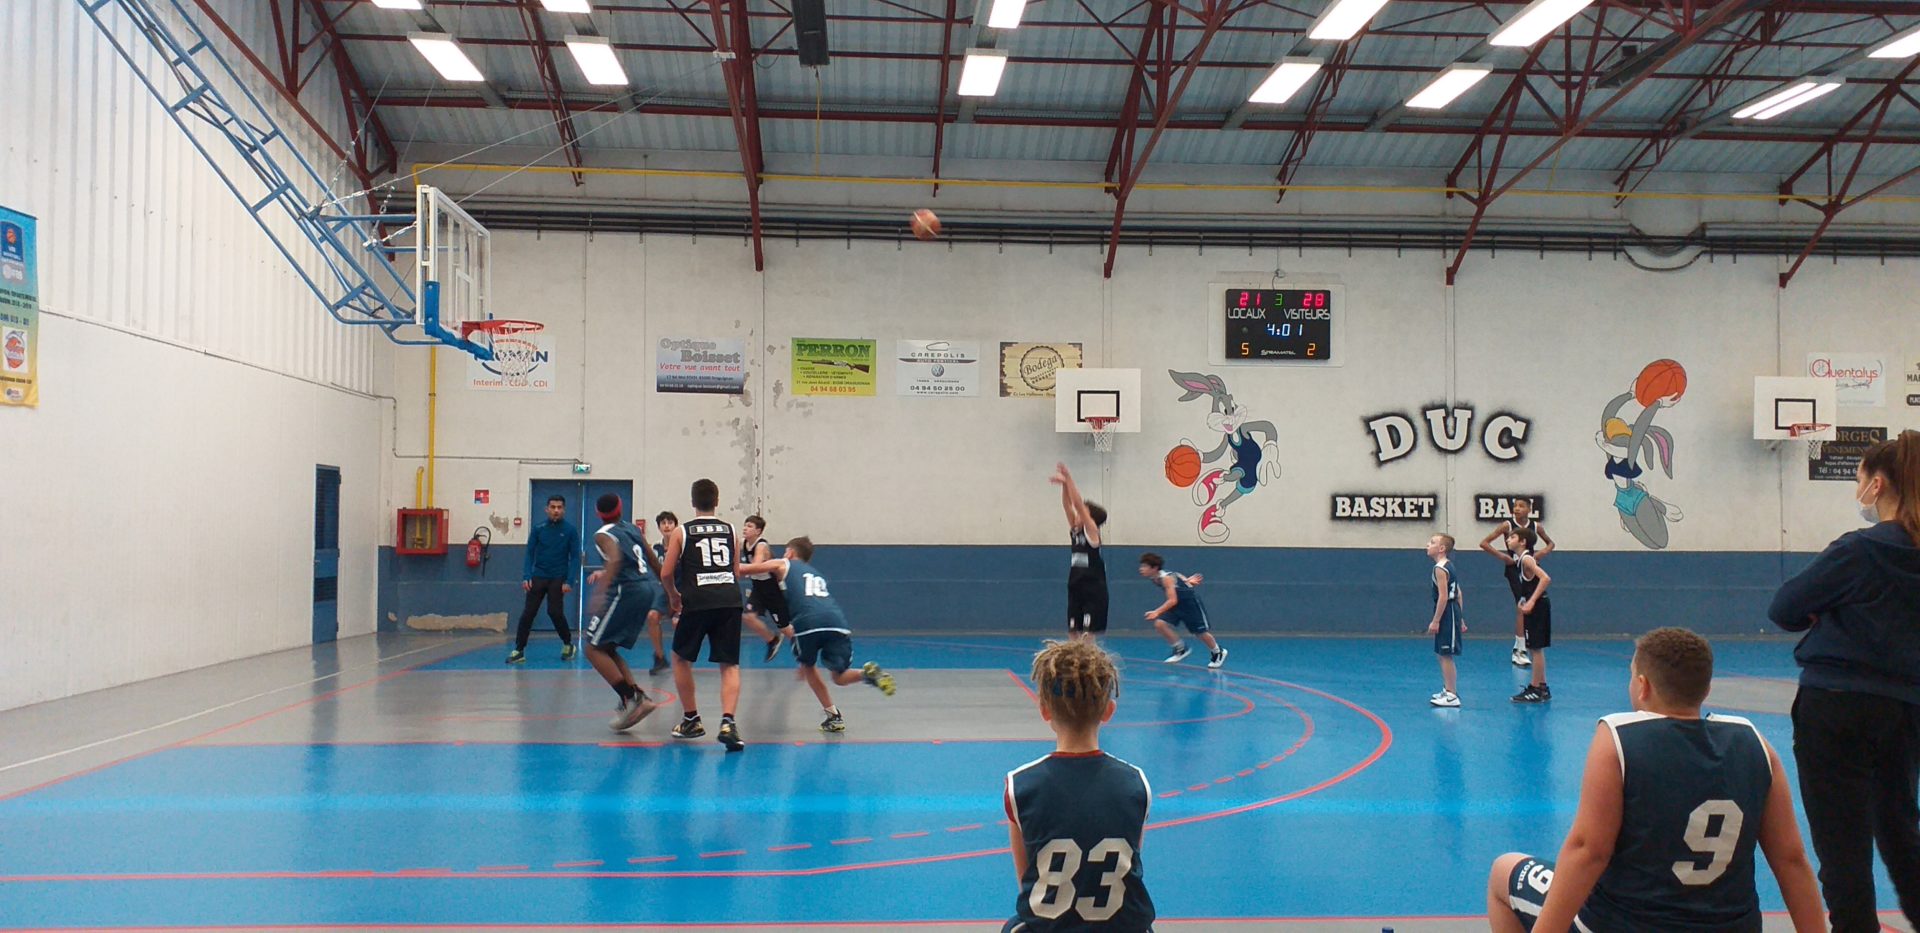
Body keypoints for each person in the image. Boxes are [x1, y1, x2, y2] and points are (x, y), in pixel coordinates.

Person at [1487, 627, 1824, 933]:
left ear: (1643, 685)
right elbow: (1791, 860)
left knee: (1504, 871)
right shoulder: (1755, 744)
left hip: (1626, 924)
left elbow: (1588, 851)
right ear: (1706, 689)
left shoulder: (1618, 738)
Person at [1768, 429, 1920, 932]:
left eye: (1859, 480)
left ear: (1878, 485)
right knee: (1901, 833)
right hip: (1906, 709)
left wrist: (1830, 610)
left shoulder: (1861, 549)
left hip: (1836, 706)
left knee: (1842, 845)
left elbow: (1786, 607)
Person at [1003, 640, 1154, 932]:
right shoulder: (1136, 783)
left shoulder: (1019, 786)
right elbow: (1130, 865)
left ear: (1044, 710)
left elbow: (1028, 880)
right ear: (1109, 710)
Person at [737, 536, 894, 732]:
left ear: (791, 552)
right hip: (837, 622)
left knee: (808, 668)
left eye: (786, 551)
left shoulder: (783, 563)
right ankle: (867, 674)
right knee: (839, 676)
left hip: (808, 622)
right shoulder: (816, 573)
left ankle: (833, 716)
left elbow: (747, 569)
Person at [659, 479, 746, 752]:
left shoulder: (682, 531)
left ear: (692, 502)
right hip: (729, 599)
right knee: (729, 664)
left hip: (697, 600)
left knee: (680, 657)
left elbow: (666, 572)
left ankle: (691, 719)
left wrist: (673, 596)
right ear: (717, 501)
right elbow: (735, 571)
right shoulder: (731, 530)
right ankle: (728, 723)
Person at [582, 494, 664, 732]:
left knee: (592, 648)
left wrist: (600, 592)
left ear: (598, 514)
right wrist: (672, 591)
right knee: (606, 647)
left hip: (625, 591)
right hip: (646, 588)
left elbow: (615, 559)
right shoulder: (632, 529)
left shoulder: (602, 534)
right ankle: (635, 696)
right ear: (621, 508)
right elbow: (653, 561)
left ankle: (631, 698)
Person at [1480, 497, 1554, 668]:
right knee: (1522, 605)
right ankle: (1519, 649)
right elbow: (1484, 543)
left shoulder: (1536, 526)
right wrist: (1503, 556)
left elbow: (1551, 543)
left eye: (1521, 506)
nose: (1517, 508)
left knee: (1531, 605)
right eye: (1515, 506)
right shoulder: (1507, 525)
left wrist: (1540, 554)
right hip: (1514, 568)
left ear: (1529, 509)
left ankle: (1529, 643)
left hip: (1529, 565)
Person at [510, 495, 579, 665]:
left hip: (558, 577)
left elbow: (575, 557)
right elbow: (529, 553)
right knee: (528, 613)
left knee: (554, 612)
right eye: (553, 507)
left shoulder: (570, 531)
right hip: (538, 576)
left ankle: (568, 643)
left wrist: (569, 581)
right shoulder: (538, 529)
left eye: (559, 507)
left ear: (564, 510)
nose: (556, 510)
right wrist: (527, 576)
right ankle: (519, 650)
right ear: (546, 509)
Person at [1137, 553, 1226, 669]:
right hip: (1177, 605)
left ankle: (1218, 651)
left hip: (1189, 604)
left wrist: (1157, 612)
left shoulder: (1166, 578)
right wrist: (1187, 581)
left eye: (1144, 566)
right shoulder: (1155, 577)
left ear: (1154, 568)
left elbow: (1172, 600)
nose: (1141, 569)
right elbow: (1178, 575)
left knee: (1200, 633)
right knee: (1160, 624)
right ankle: (1181, 649)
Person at [1051, 463, 1108, 642]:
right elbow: (1068, 505)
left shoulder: (1092, 532)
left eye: (1082, 513)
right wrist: (1064, 486)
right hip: (1076, 586)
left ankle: (1088, 658)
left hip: (1093, 589)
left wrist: (1069, 478)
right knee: (1072, 631)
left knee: (1087, 634)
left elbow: (1077, 504)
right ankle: (1074, 659)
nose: (1076, 514)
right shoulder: (1076, 531)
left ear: (1090, 518)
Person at [1508, 528, 1553, 704]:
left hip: (1539, 605)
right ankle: (1542, 686)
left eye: (1512, 537)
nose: (1508, 540)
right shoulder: (1521, 559)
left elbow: (1545, 578)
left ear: (1523, 542)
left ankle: (1535, 688)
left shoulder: (1527, 559)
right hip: (1537, 604)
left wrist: (1532, 601)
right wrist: (1524, 599)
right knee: (1535, 648)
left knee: (1535, 649)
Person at [739, 515, 788, 663]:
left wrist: (737, 569)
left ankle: (807, 649)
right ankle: (772, 640)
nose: (745, 528)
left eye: (750, 526)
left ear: (758, 531)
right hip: (758, 587)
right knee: (748, 616)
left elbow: (756, 566)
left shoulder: (761, 546)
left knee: (786, 628)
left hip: (772, 588)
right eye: (745, 525)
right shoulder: (743, 543)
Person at [1427, 533, 1466, 708]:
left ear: (1441, 548)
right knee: (1441, 654)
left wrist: (1436, 620)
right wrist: (1460, 617)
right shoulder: (1448, 565)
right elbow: (1459, 593)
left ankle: (1451, 695)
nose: (1428, 545)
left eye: (1432, 542)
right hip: (1452, 611)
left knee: (1445, 655)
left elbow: (1444, 597)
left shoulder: (1440, 569)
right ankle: (1448, 688)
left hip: (1447, 612)